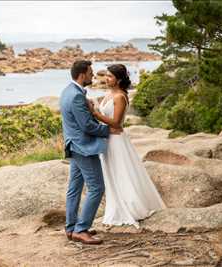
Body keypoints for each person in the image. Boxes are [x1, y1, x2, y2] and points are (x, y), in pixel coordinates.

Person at [89, 64, 166, 228]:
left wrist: (95, 113)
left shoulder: (120, 97)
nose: (106, 79)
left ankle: (131, 207)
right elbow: (106, 117)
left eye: (110, 76)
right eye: (106, 76)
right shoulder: (109, 94)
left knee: (121, 173)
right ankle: (116, 207)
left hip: (116, 141)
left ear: (119, 79)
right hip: (107, 139)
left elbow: (116, 123)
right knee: (111, 174)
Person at [59, 60, 122, 245]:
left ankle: (71, 228)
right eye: (90, 72)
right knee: (97, 188)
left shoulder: (68, 91)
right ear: (81, 74)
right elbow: (86, 125)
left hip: (74, 145)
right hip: (83, 147)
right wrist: (108, 130)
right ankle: (81, 230)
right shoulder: (76, 95)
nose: (92, 76)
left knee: (74, 188)